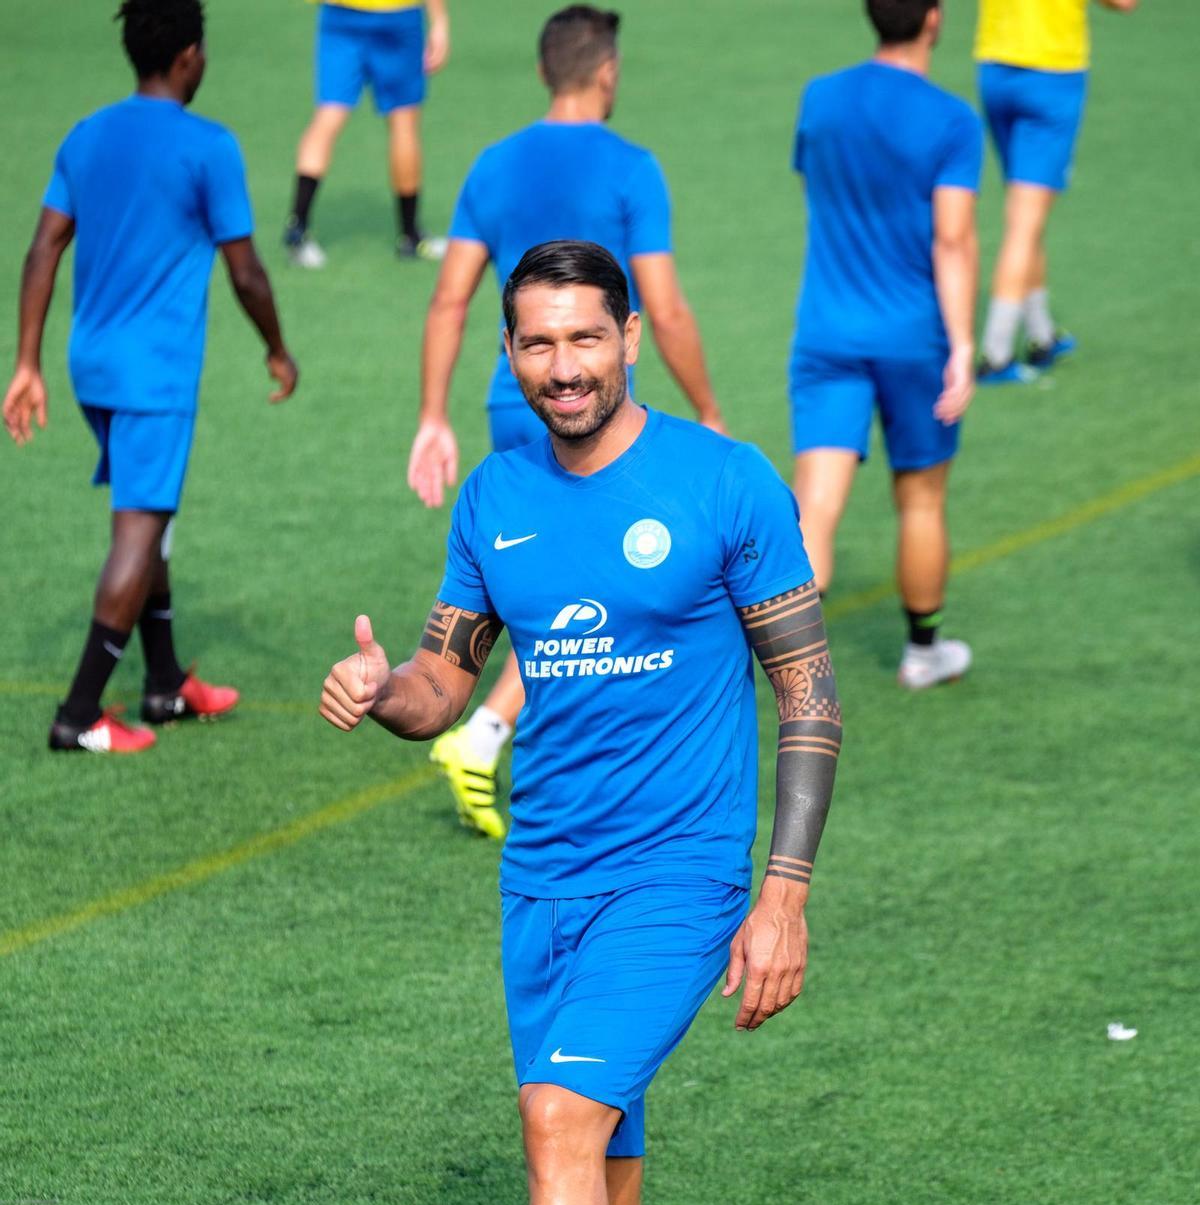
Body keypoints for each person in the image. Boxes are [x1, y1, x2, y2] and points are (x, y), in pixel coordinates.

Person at [320, 240, 841, 1205]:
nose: (564, 369)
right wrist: (389, 696)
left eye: (586, 340)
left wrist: (781, 895)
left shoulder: (725, 483)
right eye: (538, 346)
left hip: (679, 881)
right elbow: (447, 680)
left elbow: (811, 699)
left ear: (633, 340)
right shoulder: (495, 500)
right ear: (511, 356)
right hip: (540, 882)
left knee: (555, 1118)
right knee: (602, 1189)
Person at [407, 4, 724, 840]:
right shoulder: (632, 167)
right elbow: (664, 305)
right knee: (604, 590)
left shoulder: (494, 163)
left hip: (516, 398)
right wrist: (710, 411)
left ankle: (494, 731)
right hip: (600, 414)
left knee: (553, 581)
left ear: (547, 71)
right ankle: (487, 736)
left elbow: (449, 299)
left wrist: (431, 416)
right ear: (607, 72)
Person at [3, 0, 297, 755]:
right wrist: (276, 348)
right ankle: (78, 714)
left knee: (151, 514)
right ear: (189, 56)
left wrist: (26, 362)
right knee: (138, 528)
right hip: (153, 375)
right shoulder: (209, 146)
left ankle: (164, 685)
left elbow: (42, 252)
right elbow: (248, 271)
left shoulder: (87, 133)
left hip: (88, 365)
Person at [788, 0, 981, 691]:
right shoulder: (952, 120)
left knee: (815, 509)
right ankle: (922, 653)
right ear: (933, 18)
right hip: (913, 339)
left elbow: (821, 188)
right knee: (922, 500)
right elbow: (952, 238)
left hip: (828, 333)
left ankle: (786, 672)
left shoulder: (820, 98)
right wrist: (963, 344)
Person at [975, 0, 1139, 382]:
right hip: (1051, 75)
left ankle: (1041, 334)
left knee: (1027, 212)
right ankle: (996, 354)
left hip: (995, 67)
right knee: (1024, 222)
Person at [283, 0, 450, 267]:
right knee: (403, 121)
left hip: (340, 14)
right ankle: (410, 236)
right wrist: (439, 21)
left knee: (328, 116)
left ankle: (298, 227)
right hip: (398, 15)